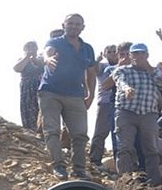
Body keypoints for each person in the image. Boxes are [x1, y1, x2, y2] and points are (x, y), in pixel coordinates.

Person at [39, 13, 97, 180]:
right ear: (63, 25)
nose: (73, 26)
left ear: (83, 27)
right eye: (70, 23)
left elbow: (91, 73)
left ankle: (79, 169)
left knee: (80, 133)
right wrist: (48, 59)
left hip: (75, 95)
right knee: (52, 130)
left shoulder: (87, 48)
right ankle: (58, 166)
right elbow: (47, 52)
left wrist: (91, 94)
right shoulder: (55, 42)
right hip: (50, 92)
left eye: (77, 24)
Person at [113, 43, 162, 187]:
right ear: (130, 56)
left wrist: (151, 70)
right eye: (135, 53)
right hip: (126, 111)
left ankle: (155, 184)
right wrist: (127, 90)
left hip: (149, 113)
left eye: (142, 53)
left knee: (151, 149)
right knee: (125, 147)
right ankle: (125, 183)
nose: (138, 56)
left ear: (147, 55)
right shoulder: (123, 70)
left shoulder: (153, 72)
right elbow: (120, 82)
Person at [88, 44, 120, 168]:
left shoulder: (124, 66)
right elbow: (94, 70)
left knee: (119, 134)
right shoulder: (103, 66)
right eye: (110, 52)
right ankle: (95, 159)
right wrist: (97, 60)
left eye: (114, 51)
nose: (112, 53)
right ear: (105, 54)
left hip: (121, 104)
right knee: (100, 132)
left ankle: (120, 163)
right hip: (105, 102)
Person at [13, 41, 44, 131]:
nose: (31, 48)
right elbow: (17, 68)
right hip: (27, 87)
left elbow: (42, 66)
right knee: (28, 106)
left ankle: (41, 129)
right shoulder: (22, 59)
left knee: (40, 107)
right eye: (28, 47)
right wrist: (27, 57)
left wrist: (34, 59)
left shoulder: (41, 57)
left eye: (33, 46)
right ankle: (30, 128)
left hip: (40, 85)